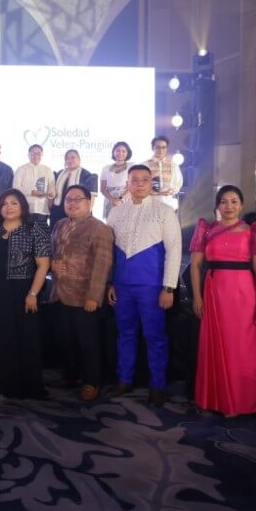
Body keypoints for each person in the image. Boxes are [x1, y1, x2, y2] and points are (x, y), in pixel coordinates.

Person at [189, 185, 256, 416]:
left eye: (234, 201)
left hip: (243, 295)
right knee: (213, 346)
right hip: (214, 294)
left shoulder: (253, 231)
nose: (229, 206)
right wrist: (197, 296)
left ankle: (240, 402)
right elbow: (194, 266)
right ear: (217, 206)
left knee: (241, 349)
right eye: (224, 201)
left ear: (241, 205)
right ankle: (216, 400)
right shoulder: (206, 229)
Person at [107, 165, 182, 407]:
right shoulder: (115, 213)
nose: (139, 184)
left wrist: (169, 287)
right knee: (125, 334)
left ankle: (157, 385)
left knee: (155, 336)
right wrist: (111, 282)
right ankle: (124, 378)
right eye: (135, 180)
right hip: (122, 284)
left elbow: (174, 250)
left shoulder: (164, 211)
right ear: (127, 183)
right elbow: (110, 252)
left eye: (145, 180)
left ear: (152, 183)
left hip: (152, 286)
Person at [50, 185, 114, 401]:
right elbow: (53, 254)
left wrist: (94, 296)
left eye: (78, 199)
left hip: (85, 295)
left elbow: (102, 265)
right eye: (68, 199)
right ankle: (71, 375)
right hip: (61, 292)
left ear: (90, 202)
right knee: (65, 339)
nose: (72, 203)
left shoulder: (99, 228)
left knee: (88, 341)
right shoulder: (59, 224)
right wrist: (52, 265)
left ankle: (91, 381)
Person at [0, 188, 51, 399]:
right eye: (4, 203)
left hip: (25, 289)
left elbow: (43, 265)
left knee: (26, 337)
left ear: (22, 206)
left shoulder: (34, 228)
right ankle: (5, 382)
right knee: (2, 336)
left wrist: (33, 293)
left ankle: (28, 385)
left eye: (14, 203)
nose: (9, 207)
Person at [13, 144, 55, 233]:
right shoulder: (21, 169)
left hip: (42, 210)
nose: (36, 156)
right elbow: (15, 187)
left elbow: (52, 187)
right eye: (33, 153)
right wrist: (31, 192)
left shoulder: (47, 170)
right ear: (28, 155)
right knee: (25, 237)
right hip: (25, 209)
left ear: (42, 155)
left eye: (38, 153)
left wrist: (51, 194)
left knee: (41, 238)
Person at [51, 149, 98, 227]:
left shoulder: (87, 175)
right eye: (67, 158)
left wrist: (87, 213)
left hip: (78, 212)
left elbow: (91, 197)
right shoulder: (59, 174)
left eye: (73, 157)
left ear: (79, 160)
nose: (70, 160)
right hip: (58, 212)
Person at [144, 135, 183, 210]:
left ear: (166, 148)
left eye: (163, 147)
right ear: (153, 148)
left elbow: (178, 182)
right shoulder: (145, 165)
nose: (161, 150)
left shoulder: (172, 164)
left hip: (167, 201)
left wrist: (171, 191)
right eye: (158, 147)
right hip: (150, 202)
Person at [100, 141, 133, 220]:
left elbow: (132, 186)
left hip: (126, 200)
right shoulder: (106, 168)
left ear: (127, 153)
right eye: (117, 151)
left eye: (123, 151)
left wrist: (121, 199)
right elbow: (102, 189)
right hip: (110, 200)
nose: (120, 153)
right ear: (113, 152)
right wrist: (112, 200)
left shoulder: (131, 166)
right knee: (110, 225)